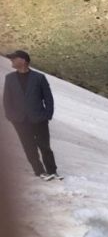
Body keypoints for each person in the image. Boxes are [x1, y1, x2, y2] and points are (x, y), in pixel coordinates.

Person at [3, 50, 60, 181]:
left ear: (23, 60)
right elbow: (7, 100)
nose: (11, 61)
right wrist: (10, 116)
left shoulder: (39, 77)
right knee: (29, 146)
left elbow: (48, 98)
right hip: (19, 120)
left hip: (39, 119)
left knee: (45, 146)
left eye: (14, 59)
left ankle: (52, 171)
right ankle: (39, 171)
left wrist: (47, 115)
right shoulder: (9, 78)